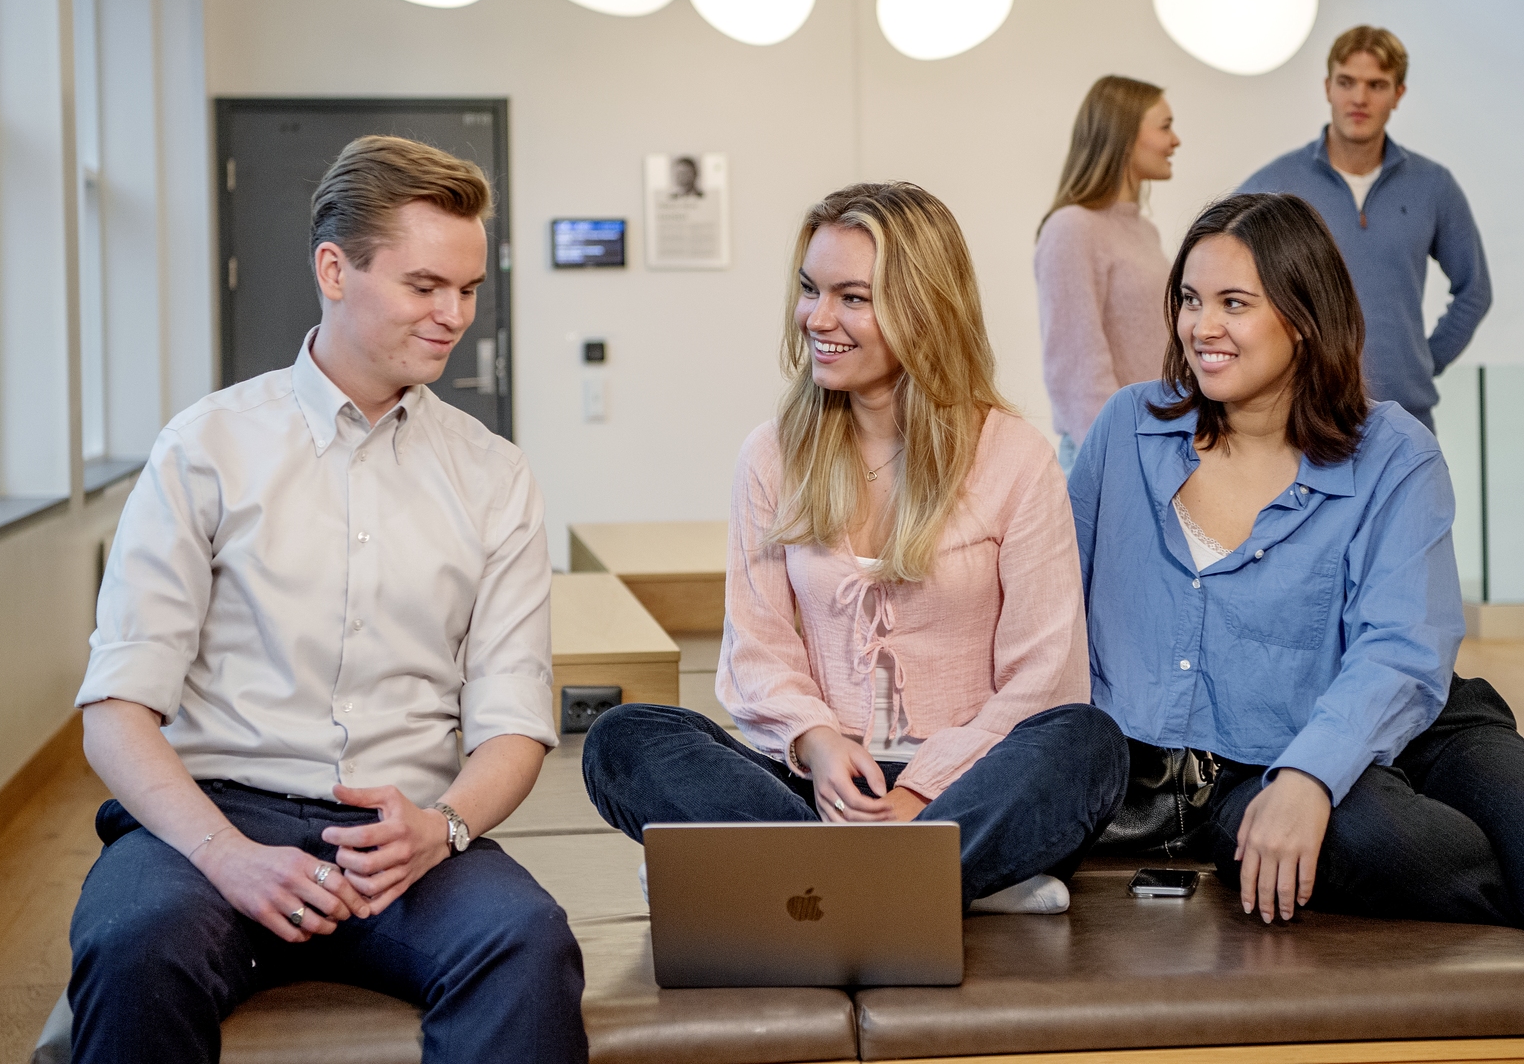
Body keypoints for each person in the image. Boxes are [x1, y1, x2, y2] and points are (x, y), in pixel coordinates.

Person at [1072, 191, 1524, 1061]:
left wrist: (1312, 775)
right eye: (1189, 299)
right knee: (1375, 836)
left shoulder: (1391, 451)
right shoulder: (1128, 430)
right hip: (1268, 747)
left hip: (1425, 724)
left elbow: (1404, 650)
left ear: (1306, 317)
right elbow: (1056, 594)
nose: (1201, 325)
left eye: (1234, 302)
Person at [68, 137, 585, 1064]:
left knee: (527, 945)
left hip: (407, 831)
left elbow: (512, 721)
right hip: (215, 815)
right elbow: (115, 709)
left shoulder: (495, 476)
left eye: (468, 290)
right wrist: (226, 854)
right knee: (132, 948)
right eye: (425, 284)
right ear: (334, 269)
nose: (454, 315)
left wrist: (445, 825)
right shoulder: (207, 447)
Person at [584, 182, 1127, 913]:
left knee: (1086, 744)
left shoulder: (1015, 456)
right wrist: (818, 743)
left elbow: (1043, 680)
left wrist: (916, 794)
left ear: (925, 307)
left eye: (852, 297)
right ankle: (940, 880)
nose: (818, 317)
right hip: (818, 784)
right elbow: (758, 650)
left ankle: (798, 874)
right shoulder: (772, 455)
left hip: (968, 779)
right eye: (811, 290)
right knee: (622, 738)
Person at [1239, 26, 1488, 432]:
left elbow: (1474, 290)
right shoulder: (1274, 185)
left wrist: (1424, 360)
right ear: (1327, 88)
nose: (1359, 98)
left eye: (1376, 85)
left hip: (1406, 417)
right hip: (1300, 416)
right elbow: (1230, 287)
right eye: (1346, 82)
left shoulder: (1433, 185)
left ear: (1398, 94)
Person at [1034, 75, 1177, 472]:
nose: (1175, 141)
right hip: (1109, 454)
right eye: (1165, 127)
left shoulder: (1144, 230)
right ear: (1125, 135)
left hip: (1156, 445)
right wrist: (1120, 458)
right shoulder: (1072, 228)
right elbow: (1076, 364)